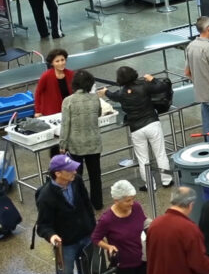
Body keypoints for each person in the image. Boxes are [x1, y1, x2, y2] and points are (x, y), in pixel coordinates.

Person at [35, 154, 96, 274]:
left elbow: (87, 205)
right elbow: (43, 226)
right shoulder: (45, 196)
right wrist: (52, 236)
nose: (74, 172)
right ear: (58, 173)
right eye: (70, 170)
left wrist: (93, 227)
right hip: (67, 245)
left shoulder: (77, 181)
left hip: (86, 237)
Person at [98, 67, 173, 190]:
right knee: (160, 154)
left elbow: (112, 95)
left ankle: (150, 184)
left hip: (136, 128)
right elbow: (162, 87)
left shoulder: (121, 93)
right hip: (152, 123)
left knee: (143, 159)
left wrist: (105, 92)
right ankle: (166, 180)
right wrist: (152, 79)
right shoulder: (144, 85)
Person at [91, 180, 154, 274]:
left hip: (142, 260)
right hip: (123, 265)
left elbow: (144, 221)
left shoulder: (136, 208)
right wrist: (108, 247)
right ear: (116, 201)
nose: (132, 203)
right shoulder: (107, 219)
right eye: (127, 201)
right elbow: (96, 238)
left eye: (132, 199)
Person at [60, 70, 103, 209]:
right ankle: (97, 203)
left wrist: (63, 144)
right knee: (95, 176)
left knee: (76, 177)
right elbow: (99, 113)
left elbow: (65, 125)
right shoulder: (95, 98)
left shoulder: (68, 101)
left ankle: (79, 204)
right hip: (94, 143)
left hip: (76, 145)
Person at [35, 48, 73, 157]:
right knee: (56, 144)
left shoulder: (70, 74)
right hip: (52, 113)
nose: (61, 63)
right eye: (57, 61)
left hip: (68, 112)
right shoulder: (46, 76)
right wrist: (38, 111)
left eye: (63, 60)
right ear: (52, 63)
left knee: (69, 139)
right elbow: (38, 93)